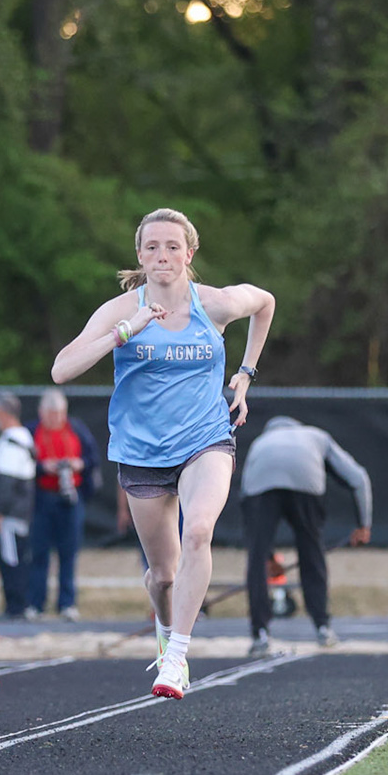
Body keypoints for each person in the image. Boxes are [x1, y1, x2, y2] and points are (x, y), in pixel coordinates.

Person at [50, 207, 275, 699]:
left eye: (173, 246)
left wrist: (245, 372)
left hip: (204, 439)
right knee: (161, 576)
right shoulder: (119, 310)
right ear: (140, 256)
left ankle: (176, 657)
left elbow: (265, 302)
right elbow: (61, 371)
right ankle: (164, 629)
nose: (162, 255)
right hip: (142, 452)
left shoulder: (213, 304)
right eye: (152, 247)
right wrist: (122, 333)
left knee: (198, 531)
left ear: (189, 254)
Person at [241, 415, 374, 657]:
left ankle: (259, 634)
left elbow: (246, 500)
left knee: (256, 559)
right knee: (311, 552)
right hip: (306, 483)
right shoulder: (316, 435)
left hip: (260, 488)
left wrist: (267, 557)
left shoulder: (260, 442)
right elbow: (359, 478)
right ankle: (323, 628)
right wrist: (363, 524)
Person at [28, 389, 101, 622]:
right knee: (39, 552)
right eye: (51, 414)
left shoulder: (76, 428)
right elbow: (23, 463)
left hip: (71, 496)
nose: (55, 419)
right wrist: (43, 467)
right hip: (42, 497)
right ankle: (36, 604)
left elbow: (93, 459)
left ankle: (67, 603)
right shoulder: (32, 431)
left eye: (59, 414)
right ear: (42, 413)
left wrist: (78, 464)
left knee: (68, 552)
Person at [0, 395, 36, 620]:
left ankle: (16, 608)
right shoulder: (15, 439)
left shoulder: (14, 441)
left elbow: (6, 480)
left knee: (11, 561)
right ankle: (14, 606)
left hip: (9, 517)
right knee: (10, 559)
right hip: (12, 515)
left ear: (3, 413)